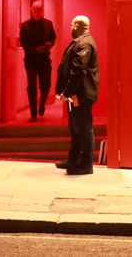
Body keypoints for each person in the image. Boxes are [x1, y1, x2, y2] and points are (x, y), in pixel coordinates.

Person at [54, 15, 99, 176]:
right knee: (75, 128)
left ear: (78, 26)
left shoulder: (84, 43)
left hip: (80, 94)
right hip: (76, 95)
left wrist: (66, 92)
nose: (70, 28)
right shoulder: (81, 42)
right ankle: (73, 159)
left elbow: (78, 70)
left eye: (72, 25)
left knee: (84, 129)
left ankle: (86, 164)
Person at [19, 1, 55, 122]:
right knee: (32, 87)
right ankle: (33, 113)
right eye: (35, 10)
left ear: (42, 10)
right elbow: (23, 42)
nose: (37, 12)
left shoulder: (48, 24)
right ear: (31, 10)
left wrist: (50, 44)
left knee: (46, 86)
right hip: (30, 60)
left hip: (45, 58)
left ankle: (42, 104)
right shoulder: (25, 25)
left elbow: (52, 37)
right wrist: (35, 49)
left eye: (39, 10)